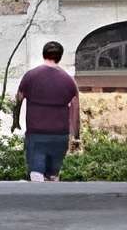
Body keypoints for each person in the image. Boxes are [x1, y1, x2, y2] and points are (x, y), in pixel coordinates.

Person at [10, 40, 80, 181]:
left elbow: (18, 100)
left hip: (36, 133)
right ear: (60, 57)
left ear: (43, 54)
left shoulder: (30, 76)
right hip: (60, 135)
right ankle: (53, 199)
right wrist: (76, 134)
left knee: (36, 172)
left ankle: (38, 199)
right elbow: (75, 110)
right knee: (53, 175)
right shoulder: (69, 81)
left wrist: (15, 121)